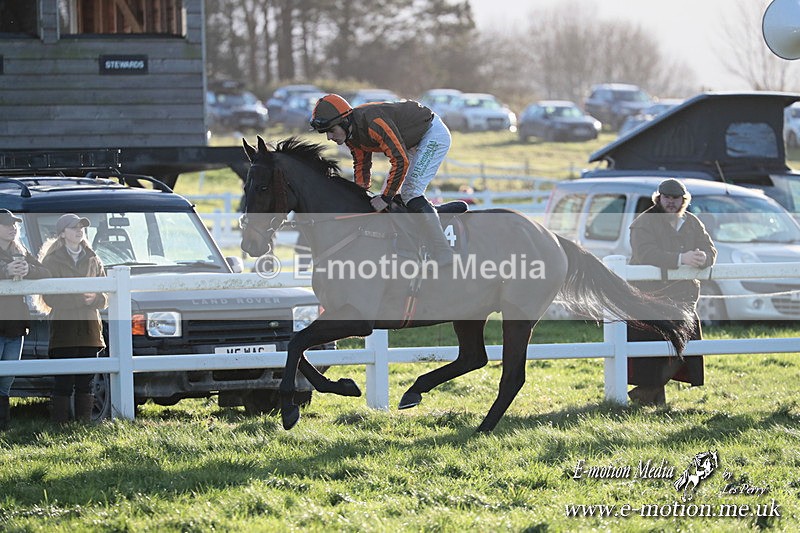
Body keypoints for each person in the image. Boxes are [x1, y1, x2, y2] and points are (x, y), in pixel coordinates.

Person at [310, 93, 454, 264]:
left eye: (332, 131)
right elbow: (362, 165)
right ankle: (411, 245)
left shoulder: (373, 123)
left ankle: (442, 250)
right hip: (410, 140)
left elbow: (400, 161)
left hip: (431, 134)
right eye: (326, 133)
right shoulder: (351, 135)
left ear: (345, 121)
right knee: (395, 193)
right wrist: (359, 196)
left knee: (410, 192)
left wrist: (385, 197)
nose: (329, 137)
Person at [627, 179, 717, 406]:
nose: (670, 202)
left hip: (684, 300)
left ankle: (646, 396)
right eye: (666, 197)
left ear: (683, 200)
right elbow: (645, 253)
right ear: (659, 198)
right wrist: (681, 259)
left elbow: (710, 248)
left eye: (675, 198)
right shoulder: (644, 222)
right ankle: (652, 399)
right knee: (653, 356)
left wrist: (705, 258)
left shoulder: (692, 222)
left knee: (685, 350)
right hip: (649, 300)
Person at [39, 214, 108, 423]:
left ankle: (83, 425)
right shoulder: (51, 260)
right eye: (73, 227)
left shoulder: (93, 258)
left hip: (89, 329)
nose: (79, 231)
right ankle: (60, 425)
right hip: (64, 330)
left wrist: (96, 298)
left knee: (86, 381)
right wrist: (80, 298)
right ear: (62, 233)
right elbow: (49, 297)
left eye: (81, 227)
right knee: (64, 381)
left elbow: (106, 295)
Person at [0, 209, 50, 430]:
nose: (13, 227)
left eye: (15, 224)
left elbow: (46, 272)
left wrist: (28, 269)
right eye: (7, 224)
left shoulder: (20, 250)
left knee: (7, 377)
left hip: (16, 323)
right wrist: (5, 270)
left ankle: (4, 424)